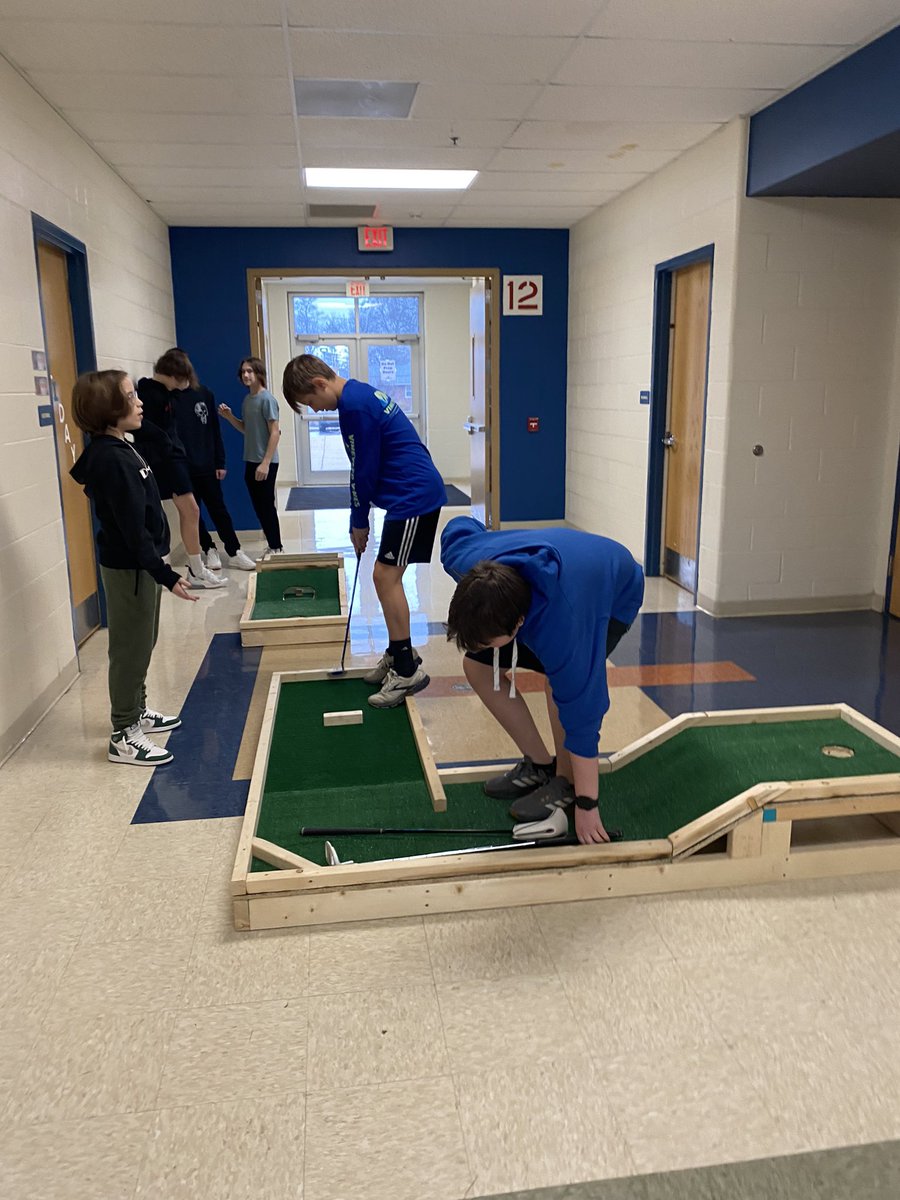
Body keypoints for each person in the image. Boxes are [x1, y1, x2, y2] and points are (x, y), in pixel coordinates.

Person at [441, 516, 644, 844]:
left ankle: (566, 782)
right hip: (554, 570)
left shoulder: (566, 625)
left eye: (488, 641)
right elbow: (459, 525)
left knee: (559, 683)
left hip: (612, 591)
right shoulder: (463, 559)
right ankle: (539, 765)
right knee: (476, 666)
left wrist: (587, 805)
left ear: (519, 623)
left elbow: (583, 713)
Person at [282, 354, 446, 709]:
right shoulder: (356, 395)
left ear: (320, 384)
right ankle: (399, 652)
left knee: (385, 577)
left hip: (414, 496)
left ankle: (407, 670)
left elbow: (363, 470)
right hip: (408, 494)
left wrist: (358, 521)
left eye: (311, 401)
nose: (316, 410)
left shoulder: (355, 407)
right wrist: (359, 518)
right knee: (384, 577)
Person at [70, 369, 198, 765]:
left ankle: (136, 710)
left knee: (144, 641)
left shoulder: (120, 446)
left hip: (142, 565)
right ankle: (123, 733)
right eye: (129, 397)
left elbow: (161, 444)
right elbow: (131, 530)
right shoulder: (111, 459)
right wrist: (166, 575)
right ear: (108, 408)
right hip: (132, 569)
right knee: (130, 648)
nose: (140, 401)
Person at [134, 351, 225, 590]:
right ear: (173, 374)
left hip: (174, 458)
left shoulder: (165, 393)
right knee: (191, 510)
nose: (183, 384)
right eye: (181, 378)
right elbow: (144, 429)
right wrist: (167, 446)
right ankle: (196, 569)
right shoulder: (150, 394)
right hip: (167, 461)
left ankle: (196, 567)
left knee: (191, 511)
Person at [167, 348, 255, 571]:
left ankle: (234, 551)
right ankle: (209, 549)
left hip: (207, 464)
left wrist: (220, 461)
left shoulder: (204, 394)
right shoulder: (168, 399)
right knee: (192, 513)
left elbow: (215, 430)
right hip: (181, 467)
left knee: (218, 509)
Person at [218, 357, 283, 558]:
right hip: (251, 461)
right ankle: (272, 544)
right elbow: (247, 429)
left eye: (250, 371)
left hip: (266, 462)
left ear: (258, 373)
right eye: (243, 372)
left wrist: (265, 463)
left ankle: (276, 547)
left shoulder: (267, 400)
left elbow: (275, 432)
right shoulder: (248, 400)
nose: (246, 375)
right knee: (259, 507)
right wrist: (230, 417)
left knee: (266, 506)